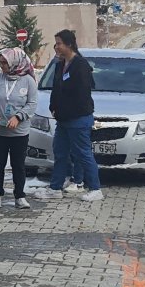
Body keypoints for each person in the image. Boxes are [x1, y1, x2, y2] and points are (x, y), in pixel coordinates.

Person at [34, 30, 102, 202]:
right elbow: (56, 89)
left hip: (78, 118)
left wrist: (65, 111)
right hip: (63, 120)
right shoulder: (59, 64)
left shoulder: (81, 66)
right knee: (60, 152)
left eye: (59, 43)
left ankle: (95, 188)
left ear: (69, 44)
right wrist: (53, 107)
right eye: (55, 43)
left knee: (83, 153)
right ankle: (55, 187)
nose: (56, 47)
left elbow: (81, 95)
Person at [0, 48, 38, 209]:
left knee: (18, 165)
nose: (2, 65)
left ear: (15, 62)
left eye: (5, 62)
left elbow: (32, 104)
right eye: (1, 62)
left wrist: (19, 117)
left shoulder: (28, 80)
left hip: (19, 132)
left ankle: (19, 195)